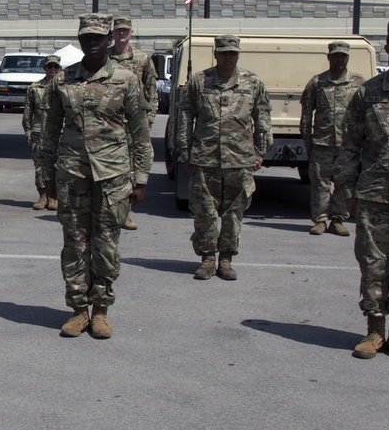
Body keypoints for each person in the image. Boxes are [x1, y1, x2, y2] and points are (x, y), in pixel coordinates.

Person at [41, 14, 152, 339]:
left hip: (113, 176)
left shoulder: (127, 80)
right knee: (74, 244)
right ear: (79, 40)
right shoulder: (63, 80)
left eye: (98, 37)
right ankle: (78, 311)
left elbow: (140, 131)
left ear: (108, 40)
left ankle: (101, 311)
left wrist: (141, 177)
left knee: (105, 245)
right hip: (72, 175)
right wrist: (45, 175)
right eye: (85, 37)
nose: (91, 42)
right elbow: (50, 131)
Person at [334, 21, 389, 363]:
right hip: (373, 196)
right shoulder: (366, 94)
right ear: (388, 48)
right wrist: (345, 190)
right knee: (373, 266)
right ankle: (374, 330)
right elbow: (351, 144)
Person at [177, 34, 273, 281]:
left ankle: (227, 259)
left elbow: (263, 120)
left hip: (239, 160)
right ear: (215, 53)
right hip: (204, 159)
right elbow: (186, 118)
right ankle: (208, 259)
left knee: (233, 213)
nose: (227, 56)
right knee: (204, 212)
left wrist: (260, 153)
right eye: (223, 52)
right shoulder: (199, 81)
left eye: (232, 52)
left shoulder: (253, 82)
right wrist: (185, 151)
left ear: (238, 54)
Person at [299, 41, 366, 236]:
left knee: (344, 183)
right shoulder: (317, 82)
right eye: (336, 56)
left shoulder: (358, 83)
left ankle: (338, 220)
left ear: (348, 58)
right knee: (320, 183)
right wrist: (308, 142)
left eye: (343, 56)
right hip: (322, 142)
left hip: (348, 144)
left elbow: (365, 114)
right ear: (329, 57)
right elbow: (306, 114)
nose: (339, 59)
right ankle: (320, 220)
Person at [108, 16, 158, 230]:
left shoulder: (142, 59)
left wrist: (149, 119)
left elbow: (151, 89)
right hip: (108, 121)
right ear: (112, 33)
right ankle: (106, 212)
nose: (122, 34)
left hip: (133, 121)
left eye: (125, 30)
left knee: (130, 168)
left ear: (132, 32)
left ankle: (124, 212)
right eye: (118, 30)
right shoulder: (104, 56)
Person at [23, 54, 61, 211]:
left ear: (60, 68)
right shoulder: (35, 87)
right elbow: (27, 111)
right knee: (40, 166)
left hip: (60, 132)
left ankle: (54, 197)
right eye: (49, 66)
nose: (52, 69)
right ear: (45, 68)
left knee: (58, 166)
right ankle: (43, 196)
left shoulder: (65, 87)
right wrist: (28, 131)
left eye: (55, 67)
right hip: (40, 132)